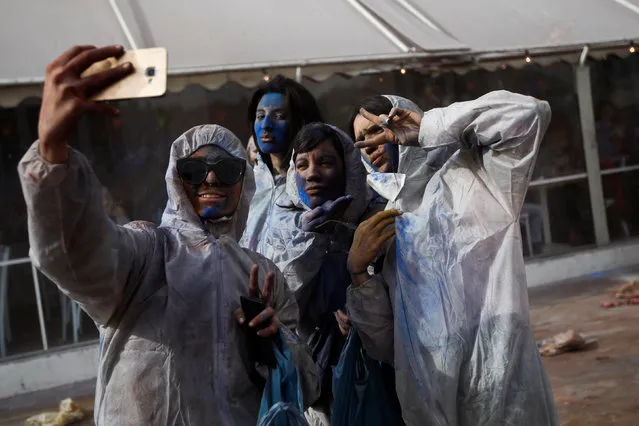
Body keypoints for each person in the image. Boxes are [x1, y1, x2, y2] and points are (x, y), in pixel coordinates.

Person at [19, 45, 319, 425]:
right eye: (194, 170)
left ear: (244, 181)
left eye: (226, 169)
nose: (210, 178)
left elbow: (307, 387)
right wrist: (52, 156)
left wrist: (276, 346)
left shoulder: (262, 276)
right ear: (177, 181)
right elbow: (74, 256)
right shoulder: (146, 253)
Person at [345, 92, 558, 425]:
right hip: (433, 402)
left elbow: (529, 113)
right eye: (361, 140)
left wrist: (429, 127)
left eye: (378, 130)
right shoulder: (383, 229)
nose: (371, 144)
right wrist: (360, 274)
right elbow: (388, 344)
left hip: (502, 385)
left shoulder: (476, 174)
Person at [256, 123, 369, 424]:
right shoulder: (281, 226)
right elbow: (280, 299)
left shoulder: (373, 219)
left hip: (371, 385)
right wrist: (307, 240)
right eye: (302, 164)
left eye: (326, 163)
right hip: (308, 397)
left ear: (349, 170)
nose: (312, 174)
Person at [240, 75, 323, 252]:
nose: (266, 125)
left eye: (279, 116)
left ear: (301, 122)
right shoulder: (248, 187)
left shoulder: (315, 183)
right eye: (260, 116)